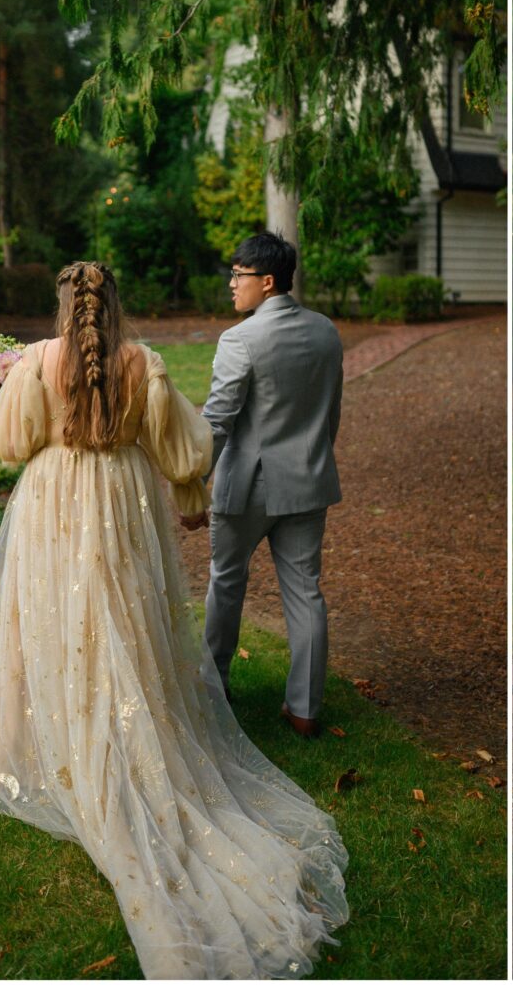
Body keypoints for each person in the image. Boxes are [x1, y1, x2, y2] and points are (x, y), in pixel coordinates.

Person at [0, 259, 348, 980]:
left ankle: (43, 736)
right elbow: (183, 453)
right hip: (120, 505)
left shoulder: (36, 363)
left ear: (63, 307)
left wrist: (8, 387)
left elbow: (7, 447)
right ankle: (138, 720)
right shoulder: (146, 364)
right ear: (115, 305)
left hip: (53, 504)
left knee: (51, 622)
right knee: (124, 622)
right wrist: (192, 493)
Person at [191, 231, 345, 740]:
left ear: (268, 281)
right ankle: (304, 708)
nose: (232, 284)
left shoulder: (241, 339)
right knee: (305, 592)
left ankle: (215, 690)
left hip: (248, 487)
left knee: (227, 581)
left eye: (239, 275)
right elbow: (330, 414)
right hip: (309, 479)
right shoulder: (326, 331)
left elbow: (218, 421)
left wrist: (192, 482)